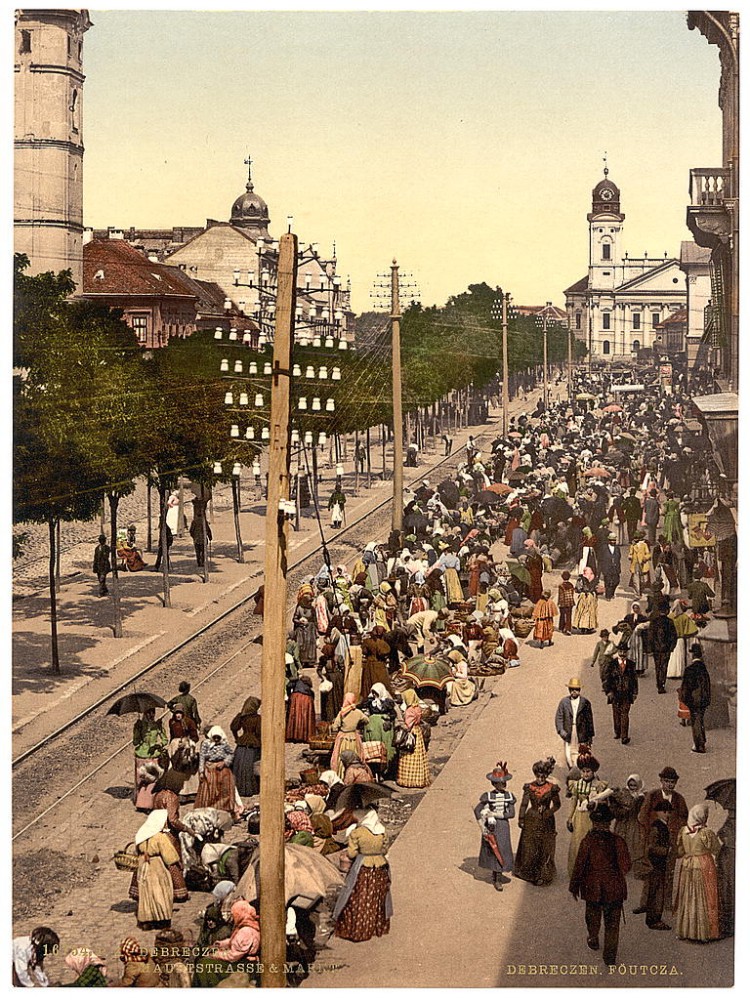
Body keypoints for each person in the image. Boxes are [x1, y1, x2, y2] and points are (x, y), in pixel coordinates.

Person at [569, 803, 631, 966]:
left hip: (592, 887)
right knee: (612, 924)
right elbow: (626, 866)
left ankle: (593, 937)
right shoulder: (618, 841)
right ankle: (609, 957)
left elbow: (579, 865)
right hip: (613, 889)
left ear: (594, 823)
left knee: (592, 915)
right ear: (609, 823)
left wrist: (574, 887)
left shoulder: (588, 841)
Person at [333, 805, 393, 941]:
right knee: (376, 897)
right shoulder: (381, 831)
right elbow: (384, 850)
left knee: (357, 897)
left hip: (363, 866)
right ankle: (374, 927)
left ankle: (358, 930)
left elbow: (352, 853)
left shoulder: (357, 833)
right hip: (379, 866)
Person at [634, 766, 688, 915]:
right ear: (661, 781)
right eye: (667, 781)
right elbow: (642, 816)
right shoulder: (652, 795)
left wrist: (676, 830)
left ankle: (666, 903)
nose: (670, 785)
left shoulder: (679, 799)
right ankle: (646, 903)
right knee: (651, 872)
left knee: (668, 872)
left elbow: (684, 818)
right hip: (655, 840)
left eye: (672, 782)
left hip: (671, 841)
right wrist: (650, 830)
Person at [673, 803, 722, 942]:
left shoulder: (683, 830)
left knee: (689, 896)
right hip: (703, 865)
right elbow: (717, 850)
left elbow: (681, 851)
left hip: (687, 864)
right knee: (703, 896)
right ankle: (702, 933)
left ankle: (686, 930)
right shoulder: (706, 833)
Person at [514, 757, 561, 886]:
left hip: (547, 820)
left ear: (546, 775)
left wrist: (548, 812)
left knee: (544, 845)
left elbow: (557, 805)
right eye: (538, 776)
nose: (540, 779)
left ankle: (543, 873)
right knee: (531, 845)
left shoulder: (552, 788)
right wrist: (521, 818)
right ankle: (530, 872)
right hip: (532, 818)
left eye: (543, 776)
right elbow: (524, 804)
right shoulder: (530, 787)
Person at [193, 901, 261, 988]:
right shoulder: (247, 926)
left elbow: (233, 956)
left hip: (243, 965)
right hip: (241, 961)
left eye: (234, 915)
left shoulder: (246, 931)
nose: (233, 917)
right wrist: (222, 944)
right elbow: (236, 941)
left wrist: (216, 954)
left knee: (204, 964)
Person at [131, 809, 180, 930]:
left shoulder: (141, 834)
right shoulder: (160, 837)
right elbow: (170, 857)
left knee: (146, 893)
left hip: (143, 865)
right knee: (160, 892)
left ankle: (147, 920)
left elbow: (135, 851)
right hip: (157, 865)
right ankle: (162, 919)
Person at [566, 750, 610, 877]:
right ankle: (577, 870)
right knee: (578, 842)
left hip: (593, 818)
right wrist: (569, 818)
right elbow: (574, 801)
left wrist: (594, 804)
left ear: (593, 771)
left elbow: (604, 802)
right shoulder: (576, 784)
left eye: (588, 771)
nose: (585, 774)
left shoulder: (598, 785)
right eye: (583, 771)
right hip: (579, 817)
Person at [474, 762, 516, 891]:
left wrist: (497, 814)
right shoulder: (488, 796)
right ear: (493, 783)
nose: (502, 785)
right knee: (493, 849)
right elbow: (477, 810)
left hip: (503, 826)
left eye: (504, 783)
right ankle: (496, 877)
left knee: (502, 849)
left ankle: (498, 874)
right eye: (499, 783)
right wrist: (483, 823)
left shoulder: (509, 796)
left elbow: (511, 813)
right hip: (491, 826)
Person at [195, 726, 242, 819]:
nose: (216, 739)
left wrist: (224, 762)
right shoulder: (206, 744)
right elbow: (202, 757)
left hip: (222, 770)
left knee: (225, 791)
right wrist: (201, 771)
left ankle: (224, 812)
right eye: (214, 737)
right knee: (209, 792)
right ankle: (209, 814)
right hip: (209, 770)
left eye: (218, 737)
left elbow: (231, 754)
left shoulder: (224, 744)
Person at [641, 799, 673, 930]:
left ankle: (655, 918)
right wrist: (666, 851)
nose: (666, 814)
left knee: (658, 890)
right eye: (663, 811)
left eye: (668, 812)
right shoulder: (656, 827)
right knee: (656, 892)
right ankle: (654, 920)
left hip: (660, 864)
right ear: (658, 812)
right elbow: (651, 847)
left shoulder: (664, 825)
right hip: (655, 864)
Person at [555, 678, 595, 770]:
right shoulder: (564, 702)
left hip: (581, 731)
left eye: (576, 689)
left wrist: (590, 736)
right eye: (572, 689)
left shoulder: (585, 703)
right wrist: (561, 731)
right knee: (568, 752)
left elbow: (589, 720)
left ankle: (580, 770)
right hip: (569, 729)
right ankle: (571, 768)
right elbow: (559, 717)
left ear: (579, 690)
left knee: (581, 751)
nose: (574, 691)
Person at [601, 647, 638, 745]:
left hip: (627, 694)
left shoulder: (631, 664)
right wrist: (608, 692)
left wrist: (635, 692)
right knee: (616, 714)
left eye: (624, 652)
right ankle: (618, 731)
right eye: (621, 652)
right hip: (615, 694)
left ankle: (624, 737)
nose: (622, 654)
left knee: (625, 714)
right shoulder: (611, 664)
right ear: (617, 652)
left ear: (627, 652)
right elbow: (606, 679)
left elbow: (634, 680)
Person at [132, 707, 167, 810]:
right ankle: (141, 803)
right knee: (142, 780)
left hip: (154, 755)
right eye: (149, 713)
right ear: (145, 714)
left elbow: (165, 740)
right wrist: (137, 729)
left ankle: (151, 803)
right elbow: (135, 742)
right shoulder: (139, 726)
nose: (151, 715)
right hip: (142, 755)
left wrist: (157, 745)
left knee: (153, 781)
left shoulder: (157, 725)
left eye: (153, 713)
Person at [679, 644, 711, 754]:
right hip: (704, 698)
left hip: (694, 699)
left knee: (695, 721)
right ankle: (703, 739)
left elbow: (686, 687)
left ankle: (699, 745)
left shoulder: (689, 669)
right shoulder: (704, 668)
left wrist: (684, 699)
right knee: (700, 719)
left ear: (692, 655)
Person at [396, 689, 431, 788]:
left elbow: (407, 725)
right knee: (418, 755)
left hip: (411, 733)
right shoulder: (418, 708)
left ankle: (408, 780)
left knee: (408, 755)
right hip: (417, 732)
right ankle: (419, 779)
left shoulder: (409, 711)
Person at [230, 696, 262, 796]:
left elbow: (233, 727)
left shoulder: (241, 717)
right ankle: (250, 789)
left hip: (241, 744)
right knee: (250, 768)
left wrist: (237, 738)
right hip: (253, 745)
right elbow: (259, 732)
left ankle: (237, 789)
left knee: (238, 767)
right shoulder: (257, 718)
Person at [330, 693, 368, 777]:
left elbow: (335, 727)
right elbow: (366, 720)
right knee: (355, 756)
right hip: (354, 737)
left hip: (343, 738)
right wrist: (358, 724)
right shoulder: (358, 712)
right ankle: (354, 776)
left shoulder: (342, 713)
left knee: (341, 758)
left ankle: (342, 776)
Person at [648, 600, 678, 694]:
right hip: (666, 648)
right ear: (666, 611)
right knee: (664, 666)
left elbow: (650, 636)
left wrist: (651, 647)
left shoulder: (654, 621)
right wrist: (672, 647)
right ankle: (662, 684)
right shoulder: (670, 622)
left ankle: (659, 684)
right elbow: (674, 636)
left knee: (658, 666)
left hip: (656, 648)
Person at [285, 675, 316, 743]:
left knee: (295, 716)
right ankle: (304, 736)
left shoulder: (296, 682)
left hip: (296, 698)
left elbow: (288, 686)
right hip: (306, 699)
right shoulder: (308, 688)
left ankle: (294, 736)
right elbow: (312, 696)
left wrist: (290, 695)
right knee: (305, 717)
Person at [598, 531, 621, 600]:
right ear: (609, 540)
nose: (613, 542)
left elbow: (619, 557)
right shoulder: (603, 548)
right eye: (612, 540)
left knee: (616, 581)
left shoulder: (617, 548)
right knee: (607, 582)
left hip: (615, 568)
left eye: (614, 540)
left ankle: (612, 592)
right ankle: (608, 596)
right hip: (607, 568)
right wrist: (601, 568)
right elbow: (600, 558)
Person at [557, 570, 575, 635]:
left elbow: (560, 595)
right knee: (569, 616)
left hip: (563, 602)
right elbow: (572, 593)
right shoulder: (571, 585)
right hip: (570, 602)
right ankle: (568, 629)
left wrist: (559, 602)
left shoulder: (561, 586)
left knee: (562, 615)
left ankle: (562, 627)